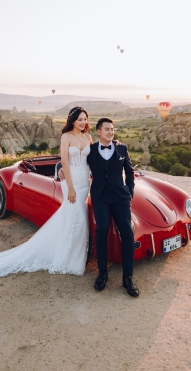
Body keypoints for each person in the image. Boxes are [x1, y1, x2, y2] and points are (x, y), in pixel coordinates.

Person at [0, 106, 91, 288]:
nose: (83, 122)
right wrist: (69, 186)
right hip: (71, 183)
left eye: (85, 119)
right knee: (73, 216)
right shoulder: (66, 137)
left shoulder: (87, 137)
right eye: (79, 119)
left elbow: (91, 159)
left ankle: (76, 257)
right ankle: (66, 259)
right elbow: (63, 160)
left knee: (80, 219)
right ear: (72, 121)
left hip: (84, 181)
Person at [59, 117, 139, 297]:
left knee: (127, 230)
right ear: (98, 132)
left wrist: (130, 191)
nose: (110, 132)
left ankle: (128, 278)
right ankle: (102, 273)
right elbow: (71, 160)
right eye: (107, 129)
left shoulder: (121, 148)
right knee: (101, 229)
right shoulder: (92, 150)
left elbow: (129, 171)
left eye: (112, 129)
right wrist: (60, 169)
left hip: (120, 197)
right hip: (100, 196)